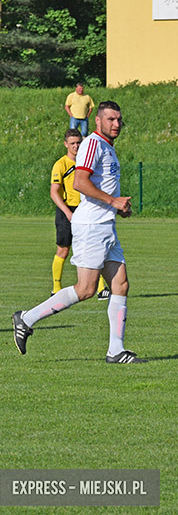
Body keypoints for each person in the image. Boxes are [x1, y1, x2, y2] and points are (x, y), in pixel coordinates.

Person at [12, 101, 145, 364]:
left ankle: (116, 351)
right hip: (92, 226)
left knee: (120, 284)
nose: (116, 124)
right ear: (98, 121)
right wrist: (112, 201)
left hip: (105, 225)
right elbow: (80, 182)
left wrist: (118, 207)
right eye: (110, 119)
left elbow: (98, 186)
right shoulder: (93, 144)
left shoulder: (108, 147)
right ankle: (26, 319)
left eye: (119, 119)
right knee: (86, 289)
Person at [50, 128, 110, 299]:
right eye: (73, 143)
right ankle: (56, 288)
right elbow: (54, 192)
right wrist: (68, 213)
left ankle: (100, 288)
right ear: (66, 145)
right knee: (63, 249)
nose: (76, 146)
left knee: (93, 247)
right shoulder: (60, 164)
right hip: (67, 210)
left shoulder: (86, 162)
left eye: (78, 143)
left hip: (86, 209)